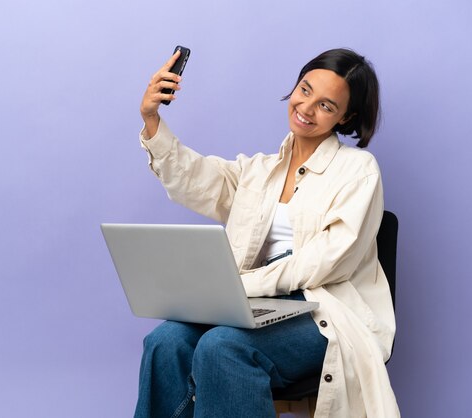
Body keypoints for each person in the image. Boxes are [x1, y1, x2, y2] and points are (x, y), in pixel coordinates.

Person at [135, 48, 400, 418]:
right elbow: (193, 179)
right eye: (304, 90)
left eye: (326, 105)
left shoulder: (358, 171)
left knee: (222, 346)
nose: (306, 108)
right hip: (251, 303)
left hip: (322, 314)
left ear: (347, 116)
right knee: (166, 342)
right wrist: (151, 118)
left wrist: (237, 286)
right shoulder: (259, 171)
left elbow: (322, 262)